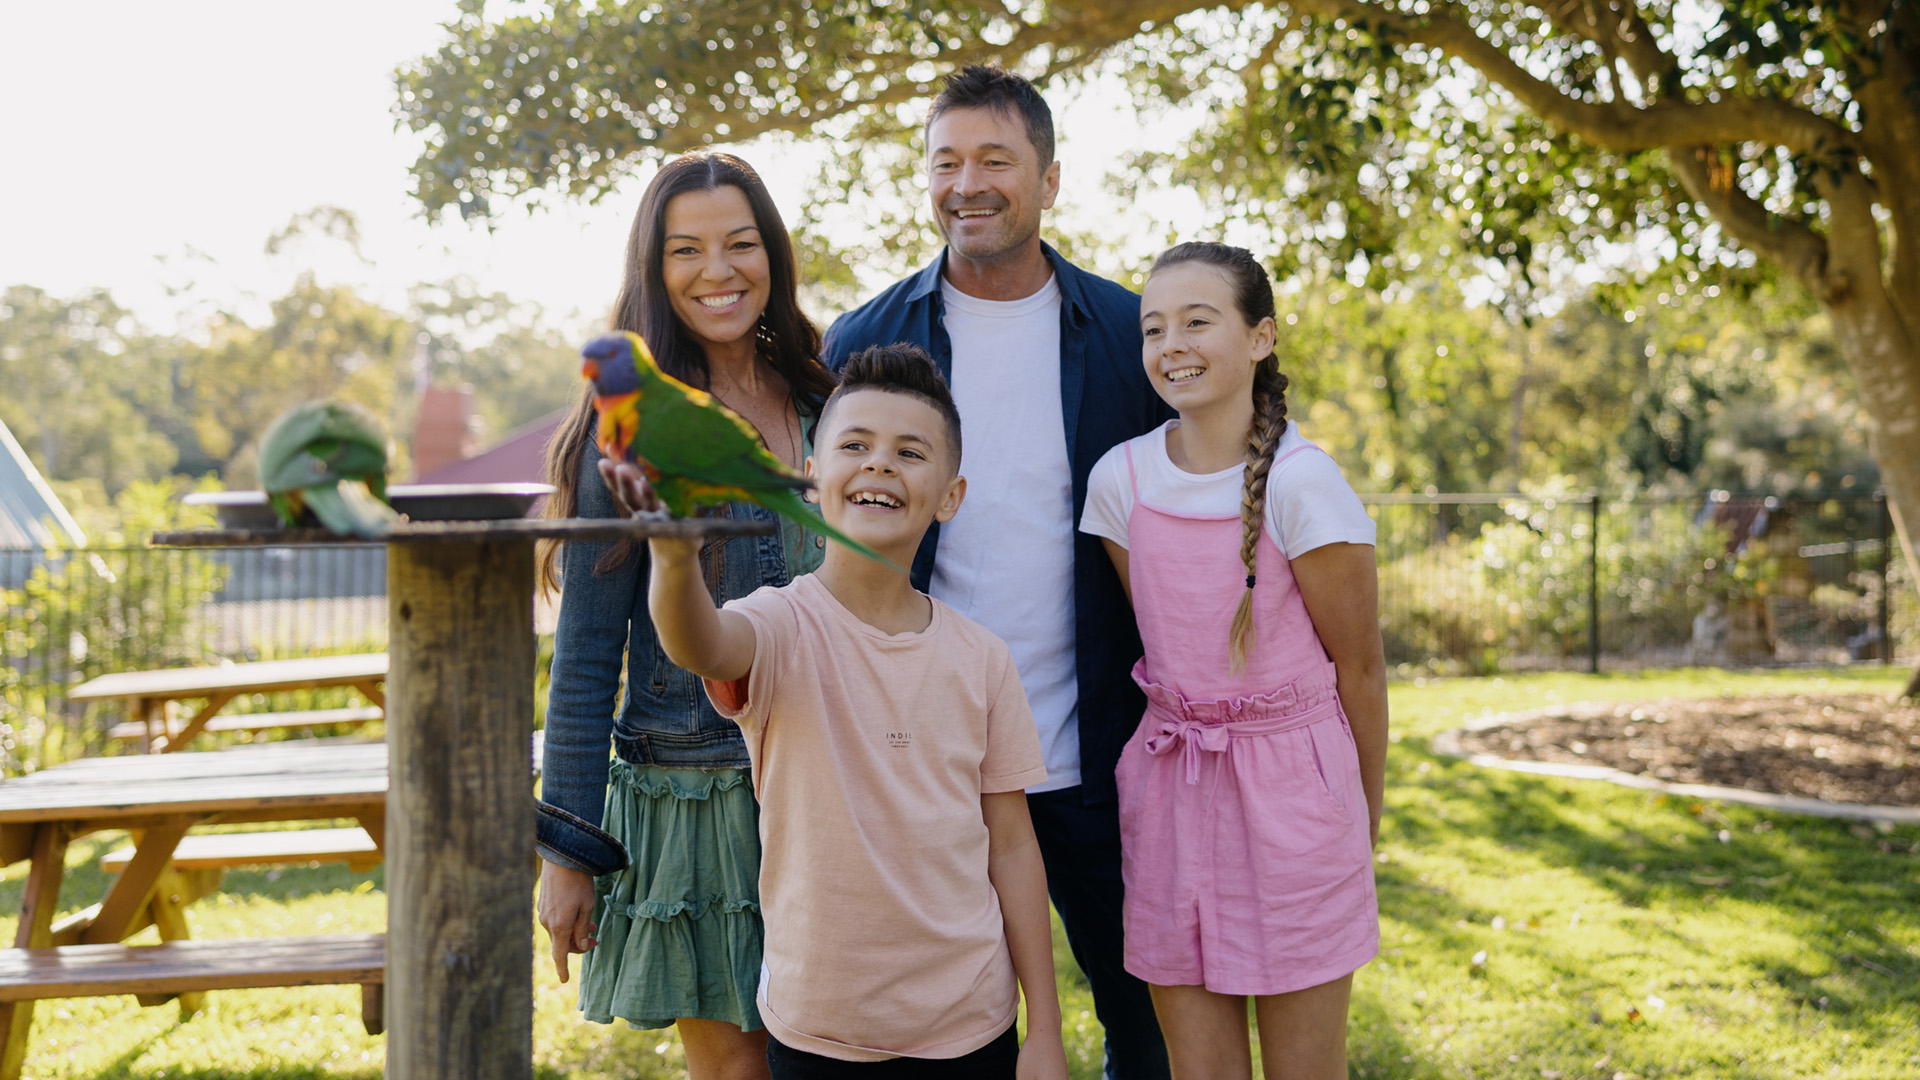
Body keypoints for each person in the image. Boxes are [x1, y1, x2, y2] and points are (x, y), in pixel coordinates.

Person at [821, 64, 1174, 1080]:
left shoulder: (1125, 333)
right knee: (941, 1041)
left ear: (1049, 180)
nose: (966, 183)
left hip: (1102, 750)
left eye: (994, 160)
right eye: (945, 162)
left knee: (1143, 1032)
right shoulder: (867, 339)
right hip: (925, 764)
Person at [613, 343, 1070, 1080]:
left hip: (971, 1027)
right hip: (819, 1031)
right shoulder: (778, 625)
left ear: (950, 495)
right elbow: (702, 643)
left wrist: (1044, 1028)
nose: (879, 464)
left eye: (909, 452)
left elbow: (1013, 846)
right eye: (854, 445)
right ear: (813, 478)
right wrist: (672, 561)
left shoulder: (983, 657)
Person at [535, 150, 836, 1080]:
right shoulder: (622, 434)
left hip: (840, 784)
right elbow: (584, 659)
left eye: (741, 244)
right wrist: (567, 853)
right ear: (654, 270)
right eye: (687, 251)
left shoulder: (833, 402)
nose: (719, 272)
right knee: (743, 1069)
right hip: (700, 794)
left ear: (773, 256)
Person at [1078, 242, 1387, 1079]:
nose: (1170, 343)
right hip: (1173, 791)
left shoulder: (1304, 484)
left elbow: (1359, 669)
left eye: (1197, 321)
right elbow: (1162, 634)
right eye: (1153, 328)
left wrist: (1362, 821)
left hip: (1296, 802)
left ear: (1260, 338)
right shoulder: (1121, 482)